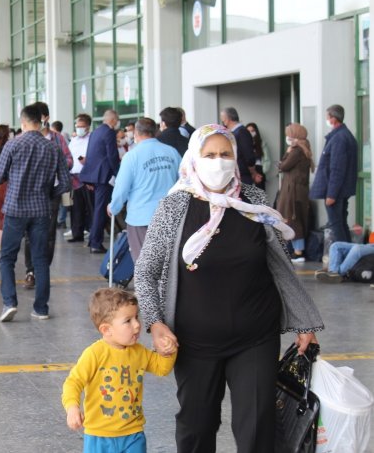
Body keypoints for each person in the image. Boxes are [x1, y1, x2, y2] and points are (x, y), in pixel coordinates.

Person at [135, 124, 323, 453]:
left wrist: (304, 321)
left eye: (226, 154)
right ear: (194, 157)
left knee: (256, 429)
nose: (218, 162)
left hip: (255, 336)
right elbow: (146, 271)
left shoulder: (253, 202)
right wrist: (155, 322)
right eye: (209, 155)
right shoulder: (175, 207)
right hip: (194, 342)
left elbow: (280, 264)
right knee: (197, 426)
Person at [62, 288, 176, 453]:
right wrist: (72, 407)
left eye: (136, 317)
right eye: (128, 321)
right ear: (106, 330)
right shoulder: (94, 354)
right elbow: (73, 382)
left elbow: (161, 368)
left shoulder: (139, 351)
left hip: (133, 433)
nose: (137, 325)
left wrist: (167, 351)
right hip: (98, 435)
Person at [0, 104, 71, 322]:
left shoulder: (13, 144)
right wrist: (47, 194)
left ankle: (9, 303)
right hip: (41, 210)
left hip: (15, 209)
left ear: (23, 122)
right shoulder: (53, 148)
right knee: (40, 260)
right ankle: (41, 308)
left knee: (7, 258)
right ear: (41, 121)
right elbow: (65, 183)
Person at [108, 117, 181, 263]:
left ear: (136, 132)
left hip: (141, 218)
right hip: (169, 216)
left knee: (144, 264)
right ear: (155, 131)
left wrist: (113, 207)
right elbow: (183, 181)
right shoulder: (172, 152)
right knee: (167, 263)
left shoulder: (132, 156)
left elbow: (121, 188)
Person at [22, 102, 73, 289]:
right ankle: (30, 271)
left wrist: (56, 164)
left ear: (46, 118)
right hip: (29, 194)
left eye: (40, 117)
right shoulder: (23, 139)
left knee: (49, 234)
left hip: (51, 193)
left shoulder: (58, 139)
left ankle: (43, 269)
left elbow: (69, 161)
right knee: (30, 234)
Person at [310, 104, 358, 244]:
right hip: (341, 190)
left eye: (327, 117)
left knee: (337, 226)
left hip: (336, 192)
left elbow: (337, 169)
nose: (326, 120)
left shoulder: (339, 138)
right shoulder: (344, 135)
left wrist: (331, 194)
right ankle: (347, 255)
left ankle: (343, 258)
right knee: (341, 223)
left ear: (333, 119)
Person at [79, 109, 121, 254]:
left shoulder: (96, 132)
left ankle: (93, 240)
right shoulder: (109, 132)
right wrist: (119, 173)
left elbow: (90, 154)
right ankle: (96, 243)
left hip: (94, 175)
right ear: (113, 120)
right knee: (100, 210)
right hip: (104, 177)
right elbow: (112, 156)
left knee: (97, 209)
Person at [277, 123, 314, 263]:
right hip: (297, 190)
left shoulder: (297, 151)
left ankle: (298, 252)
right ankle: (296, 250)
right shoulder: (304, 148)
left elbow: (283, 165)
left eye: (289, 134)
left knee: (292, 218)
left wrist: (287, 152)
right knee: (294, 218)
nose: (287, 137)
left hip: (292, 191)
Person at [68, 114, 94, 244]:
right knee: (76, 207)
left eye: (81, 127)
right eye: (77, 126)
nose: (79, 129)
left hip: (87, 176)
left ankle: (93, 233)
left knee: (90, 207)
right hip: (74, 177)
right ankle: (77, 233)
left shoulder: (92, 139)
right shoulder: (74, 140)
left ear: (88, 127)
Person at [219, 107, 260, 185]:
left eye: (222, 118)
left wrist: (253, 172)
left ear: (227, 119)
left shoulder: (241, 132)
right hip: (236, 175)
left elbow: (249, 156)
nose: (222, 121)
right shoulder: (234, 132)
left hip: (243, 176)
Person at [245, 122, 271, 190]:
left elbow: (267, 159)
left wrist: (262, 171)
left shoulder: (262, 144)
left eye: (252, 131)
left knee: (260, 195)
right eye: (248, 131)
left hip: (259, 170)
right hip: (247, 171)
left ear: (256, 132)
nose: (250, 133)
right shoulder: (243, 143)